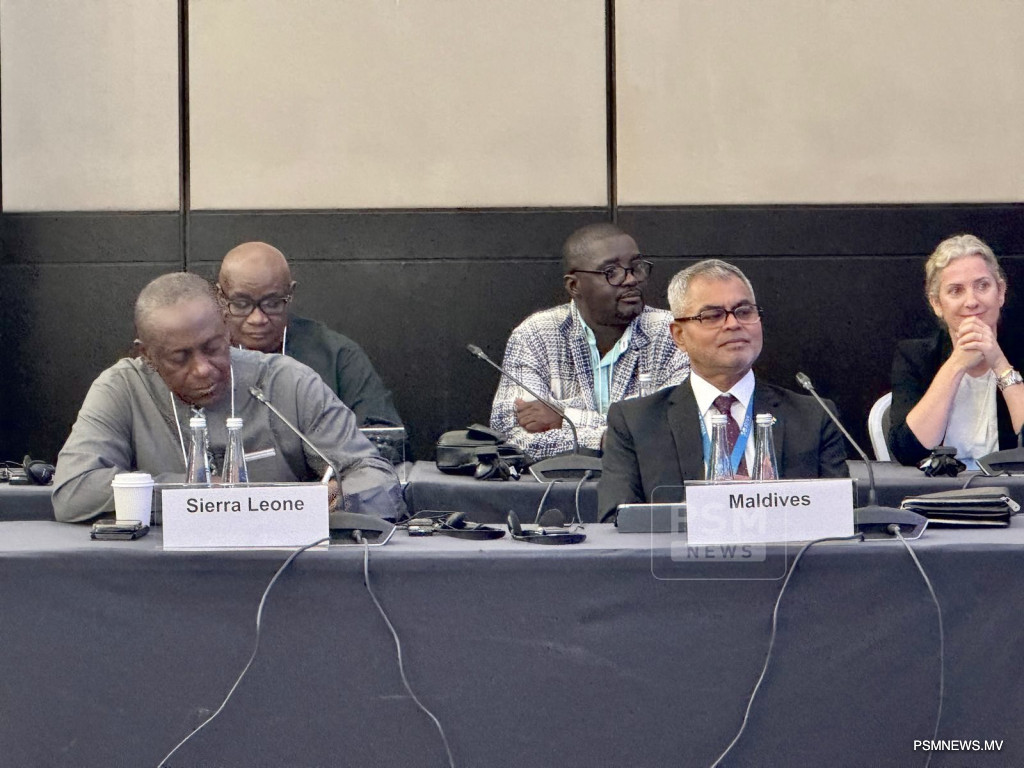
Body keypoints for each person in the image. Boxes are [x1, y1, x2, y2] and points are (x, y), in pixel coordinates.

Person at [52, 272, 404, 523]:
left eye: (212, 348)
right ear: (147, 355)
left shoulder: (287, 381)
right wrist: (195, 495)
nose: (203, 369)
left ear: (226, 328)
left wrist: (343, 498)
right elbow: (74, 490)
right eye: (180, 358)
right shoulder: (122, 388)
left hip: (282, 566)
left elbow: (376, 477)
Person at [598, 259, 848, 522]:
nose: (733, 324)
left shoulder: (813, 417)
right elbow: (616, 522)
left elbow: (839, 516)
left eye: (744, 311)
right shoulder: (636, 422)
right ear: (679, 335)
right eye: (712, 316)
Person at [489, 223, 689, 458]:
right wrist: (607, 440)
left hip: (645, 481)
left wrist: (565, 418)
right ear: (574, 286)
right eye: (611, 272)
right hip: (557, 480)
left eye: (636, 267)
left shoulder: (673, 333)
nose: (631, 279)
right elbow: (511, 436)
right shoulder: (536, 334)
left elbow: (675, 428)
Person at [216, 241, 403, 428]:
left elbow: (383, 435)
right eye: (241, 304)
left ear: (290, 293)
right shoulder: (206, 356)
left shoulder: (337, 355)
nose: (257, 319)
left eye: (272, 303)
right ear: (220, 297)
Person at [889, 234, 1023, 467]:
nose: (971, 301)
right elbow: (908, 450)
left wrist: (999, 363)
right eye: (956, 291)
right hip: (939, 488)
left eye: (982, 286)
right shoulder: (915, 358)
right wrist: (956, 364)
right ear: (937, 304)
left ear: (1000, 292)